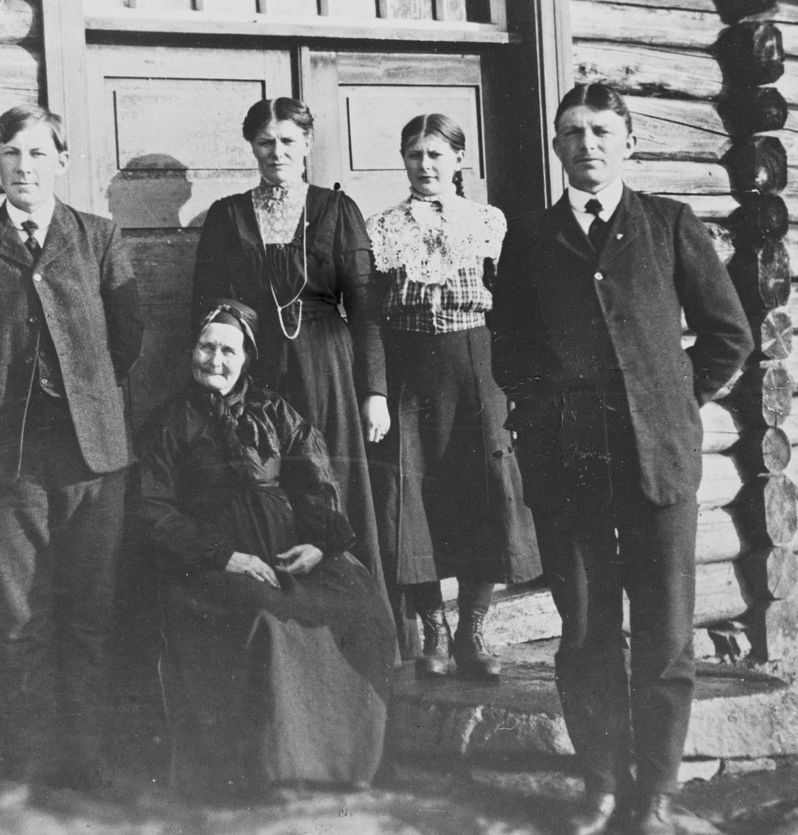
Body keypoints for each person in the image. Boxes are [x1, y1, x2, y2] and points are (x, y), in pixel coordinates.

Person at [491, 83, 753, 835]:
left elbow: (728, 334)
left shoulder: (669, 224)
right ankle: (601, 781)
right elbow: (509, 348)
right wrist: (545, 418)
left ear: (629, 142)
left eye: (602, 131)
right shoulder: (533, 239)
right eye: (572, 132)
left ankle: (656, 789)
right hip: (567, 461)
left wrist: (669, 403)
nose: (587, 144)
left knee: (665, 630)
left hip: (657, 460)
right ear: (556, 147)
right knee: (585, 629)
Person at [0, 104, 144, 789]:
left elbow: (129, 338)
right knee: (18, 611)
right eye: (11, 154)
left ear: (61, 161)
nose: (25, 166)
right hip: (10, 459)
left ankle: (86, 761)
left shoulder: (99, 237)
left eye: (37, 153)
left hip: (92, 457)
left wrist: (84, 395)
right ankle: (26, 762)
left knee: (90, 610)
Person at [136, 299, 396, 797]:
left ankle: (349, 764)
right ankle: (275, 771)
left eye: (227, 350)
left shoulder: (276, 411)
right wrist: (224, 556)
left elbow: (317, 483)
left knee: (363, 608)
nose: (214, 360)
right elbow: (153, 510)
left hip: (288, 552)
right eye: (205, 347)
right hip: (208, 564)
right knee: (267, 619)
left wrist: (320, 545)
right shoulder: (170, 422)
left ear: (247, 357)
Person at [365, 114, 541, 680]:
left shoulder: (488, 222)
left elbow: (513, 305)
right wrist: (376, 389)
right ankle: (434, 628)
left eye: (437, 154)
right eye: (414, 155)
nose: (426, 166)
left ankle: (474, 629)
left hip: (478, 366)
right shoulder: (384, 228)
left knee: (484, 494)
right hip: (413, 368)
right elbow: (369, 314)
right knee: (413, 498)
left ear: (459, 160)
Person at [192, 97, 389, 602]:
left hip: (327, 365)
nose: (276, 152)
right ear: (251, 146)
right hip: (254, 372)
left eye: (287, 141)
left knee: (334, 478)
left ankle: (351, 613)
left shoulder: (337, 209)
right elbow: (206, 306)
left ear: (306, 144)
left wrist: (374, 390)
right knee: (266, 479)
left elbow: (366, 309)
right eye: (265, 142)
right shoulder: (226, 215)